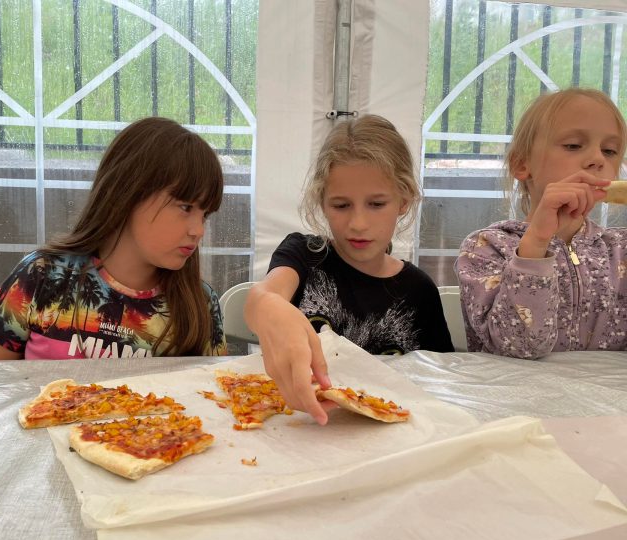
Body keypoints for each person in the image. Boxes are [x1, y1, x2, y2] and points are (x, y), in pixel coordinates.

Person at [244, 114, 454, 424]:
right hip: (305, 428)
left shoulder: (419, 291)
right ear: (322, 202)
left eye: (376, 204)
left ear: (404, 200)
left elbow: (439, 385)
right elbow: (262, 297)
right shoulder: (304, 255)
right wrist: (268, 307)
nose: (358, 223)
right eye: (341, 206)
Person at [0, 117, 227, 360]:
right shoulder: (42, 275)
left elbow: (215, 389)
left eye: (205, 215)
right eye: (185, 207)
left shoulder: (200, 305)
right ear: (127, 192)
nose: (198, 230)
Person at [456, 87, 627, 359]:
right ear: (522, 164)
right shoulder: (485, 248)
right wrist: (536, 242)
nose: (597, 159)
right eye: (573, 145)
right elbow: (519, 346)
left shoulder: (621, 250)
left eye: (609, 151)